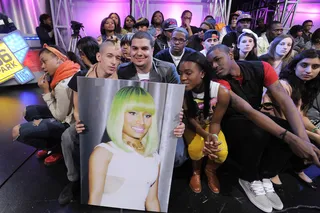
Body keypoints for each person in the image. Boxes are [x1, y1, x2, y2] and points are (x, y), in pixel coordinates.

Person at [206, 44, 320, 213]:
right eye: (211, 64)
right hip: (230, 121)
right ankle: (248, 178)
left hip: (254, 117)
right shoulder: (218, 81)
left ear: (230, 53)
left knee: (289, 129)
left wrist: (303, 141)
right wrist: (291, 138)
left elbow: (285, 102)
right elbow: (247, 110)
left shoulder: (262, 67)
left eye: (217, 59)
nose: (214, 66)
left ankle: (264, 175)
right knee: (259, 133)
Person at [58, 40, 123, 205]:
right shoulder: (81, 76)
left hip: (114, 122)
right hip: (88, 121)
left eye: (118, 57)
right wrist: (79, 121)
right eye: (110, 56)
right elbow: (77, 108)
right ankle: (73, 180)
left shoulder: (123, 77)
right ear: (99, 56)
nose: (114, 61)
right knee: (67, 136)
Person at [88, 86, 161, 211]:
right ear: (118, 113)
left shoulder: (154, 157)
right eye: (133, 113)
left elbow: (152, 200)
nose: (141, 121)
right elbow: (94, 199)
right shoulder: (104, 152)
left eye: (147, 115)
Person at [12, 44, 80, 165]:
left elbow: (60, 116)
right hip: (66, 115)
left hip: (69, 124)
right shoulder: (69, 70)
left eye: (44, 62)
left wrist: (46, 91)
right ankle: (54, 144)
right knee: (28, 111)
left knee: (17, 132)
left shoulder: (62, 84)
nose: (42, 66)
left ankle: (57, 149)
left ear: (58, 59)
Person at [263, 49, 320, 188]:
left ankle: (297, 168)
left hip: (290, 126)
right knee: (308, 140)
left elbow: (301, 116)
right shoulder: (284, 85)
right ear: (295, 66)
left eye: (315, 67)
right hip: (275, 126)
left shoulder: (304, 86)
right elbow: (285, 122)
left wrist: (315, 130)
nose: (309, 71)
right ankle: (271, 171)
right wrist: (313, 135)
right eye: (304, 65)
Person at [179, 52, 228, 194]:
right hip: (193, 126)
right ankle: (196, 172)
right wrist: (205, 135)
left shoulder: (221, 92)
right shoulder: (182, 91)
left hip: (210, 125)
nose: (183, 78)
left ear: (202, 73)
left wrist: (211, 139)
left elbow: (216, 121)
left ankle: (210, 170)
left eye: (188, 73)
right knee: (195, 151)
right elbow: (190, 119)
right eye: (181, 73)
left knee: (221, 152)